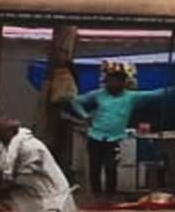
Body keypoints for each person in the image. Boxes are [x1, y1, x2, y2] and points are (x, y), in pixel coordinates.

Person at [69, 66, 169, 199]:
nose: (114, 84)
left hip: (114, 138)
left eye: (117, 81)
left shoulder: (130, 97)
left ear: (123, 83)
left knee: (111, 167)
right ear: (106, 83)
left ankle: (110, 195)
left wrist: (172, 89)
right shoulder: (98, 94)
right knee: (94, 167)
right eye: (111, 81)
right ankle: (96, 195)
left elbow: (154, 94)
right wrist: (84, 116)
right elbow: (75, 101)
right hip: (95, 136)